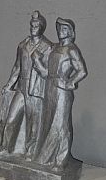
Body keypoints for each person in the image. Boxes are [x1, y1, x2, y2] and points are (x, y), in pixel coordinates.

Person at [33, 17, 87, 171]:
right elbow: (46, 73)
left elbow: (82, 71)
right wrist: (37, 62)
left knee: (61, 124)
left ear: (70, 32)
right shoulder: (55, 48)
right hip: (50, 87)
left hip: (62, 91)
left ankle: (60, 160)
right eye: (59, 28)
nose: (60, 32)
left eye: (64, 29)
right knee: (48, 121)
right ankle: (46, 157)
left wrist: (70, 82)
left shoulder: (71, 50)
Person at [0, 11, 53, 158]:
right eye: (31, 25)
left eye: (36, 26)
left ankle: (31, 152)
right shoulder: (22, 45)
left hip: (36, 90)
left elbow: (48, 73)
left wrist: (38, 62)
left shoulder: (47, 47)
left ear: (42, 27)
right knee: (11, 120)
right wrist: (9, 85)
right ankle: (5, 148)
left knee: (34, 124)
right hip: (21, 88)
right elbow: (17, 67)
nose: (33, 28)